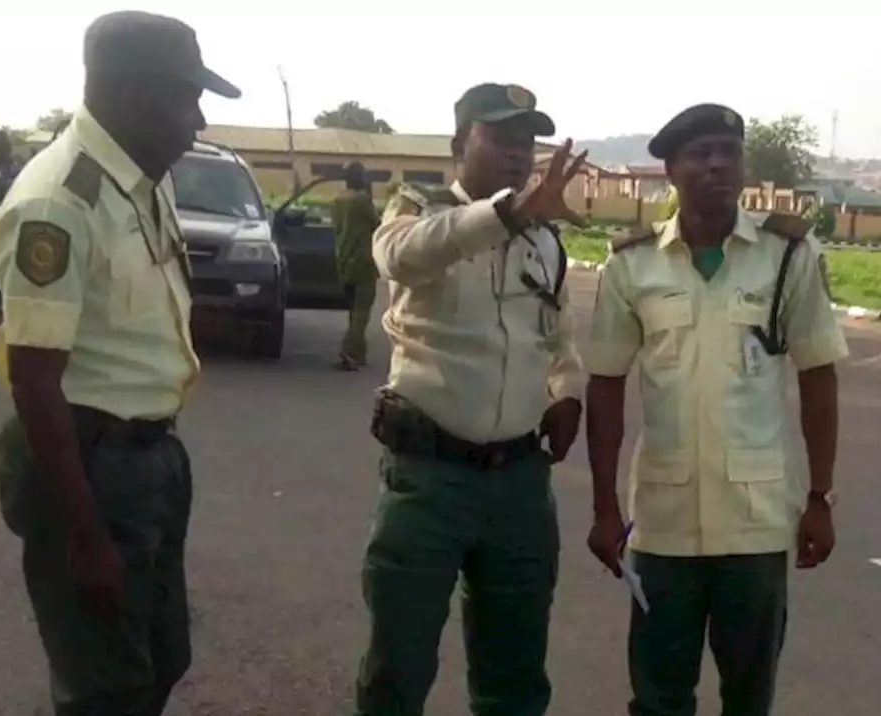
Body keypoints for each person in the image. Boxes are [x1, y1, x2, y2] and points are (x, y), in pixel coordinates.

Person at [0, 11, 240, 716]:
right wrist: (84, 535)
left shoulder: (140, 175)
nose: (196, 123)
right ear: (131, 95)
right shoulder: (59, 200)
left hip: (149, 457)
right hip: (90, 466)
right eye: (184, 100)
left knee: (158, 662)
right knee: (105, 687)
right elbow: (34, 381)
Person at [584, 104, 848, 716]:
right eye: (700, 154)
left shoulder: (787, 258)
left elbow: (818, 377)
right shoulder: (634, 263)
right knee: (657, 697)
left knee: (750, 697)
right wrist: (604, 507)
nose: (716, 165)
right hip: (661, 526)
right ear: (671, 170)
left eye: (728, 152)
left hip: (756, 528)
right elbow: (604, 385)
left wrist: (820, 498)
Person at [354, 83, 587, 716]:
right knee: (397, 668)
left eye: (527, 144)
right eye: (501, 139)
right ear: (460, 146)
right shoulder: (419, 212)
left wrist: (567, 391)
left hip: (518, 484)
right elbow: (397, 259)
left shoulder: (544, 242)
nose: (518, 156)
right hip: (429, 479)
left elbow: (559, 336)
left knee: (514, 675)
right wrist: (504, 214)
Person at [331, 160, 381, 370]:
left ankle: (359, 352)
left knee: (354, 309)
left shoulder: (337, 201)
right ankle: (349, 349)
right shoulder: (362, 201)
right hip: (363, 260)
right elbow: (377, 225)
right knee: (362, 310)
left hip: (343, 259)